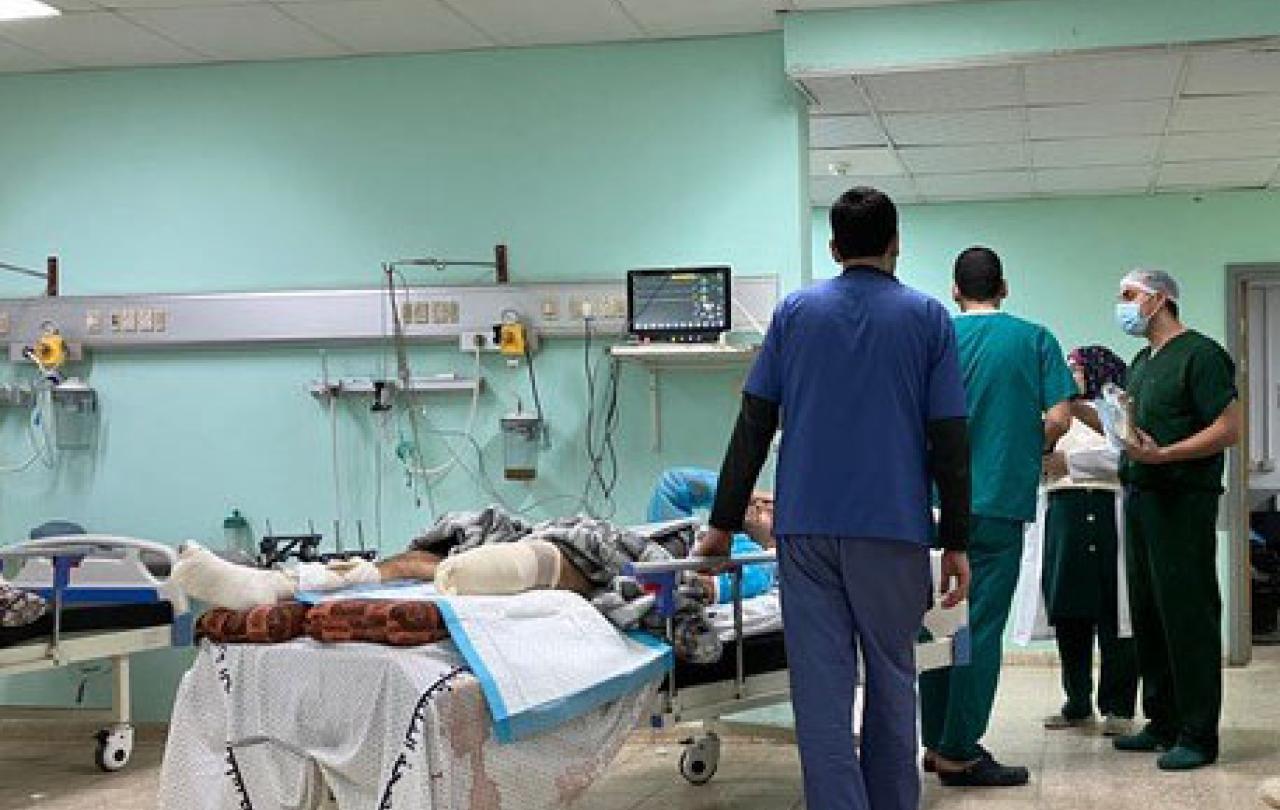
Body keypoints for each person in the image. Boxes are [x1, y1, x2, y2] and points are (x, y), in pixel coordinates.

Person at [696, 186, 972, 810]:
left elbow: (754, 424)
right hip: (893, 531)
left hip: (808, 530)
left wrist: (720, 523)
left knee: (821, 696)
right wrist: (957, 540)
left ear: (833, 247)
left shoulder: (795, 313)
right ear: (896, 243)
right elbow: (951, 438)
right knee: (893, 682)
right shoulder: (928, 319)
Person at [919, 246, 1076, 787]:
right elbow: (1059, 415)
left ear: (955, 291)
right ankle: (961, 751)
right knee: (979, 631)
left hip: (931, 508)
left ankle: (935, 741)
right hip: (996, 507)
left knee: (935, 626)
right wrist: (1022, 446)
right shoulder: (1034, 339)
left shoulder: (935, 338)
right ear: (1003, 287)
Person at [1111, 268, 1240, 771]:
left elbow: (1228, 428)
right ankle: (1161, 721)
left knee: (1187, 612)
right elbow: (1138, 425)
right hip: (1142, 496)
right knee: (1147, 611)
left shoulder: (1202, 355)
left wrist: (1168, 456)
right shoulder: (1142, 362)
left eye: (1128, 296)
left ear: (1159, 298)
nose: (1120, 306)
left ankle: (1198, 733)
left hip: (1182, 499)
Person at [1039, 345, 1138, 736]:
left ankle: (1118, 707)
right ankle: (1077, 703)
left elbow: (1127, 456)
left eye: (1075, 368)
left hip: (1111, 514)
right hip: (1064, 517)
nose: (1068, 374)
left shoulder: (1119, 409)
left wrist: (1071, 464)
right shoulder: (1057, 417)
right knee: (1069, 613)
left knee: (1117, 615)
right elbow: (1041, 461)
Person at [646, 467, 776, 603]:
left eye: (773, 512)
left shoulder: (763, 564)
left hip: (675, 577)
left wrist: (700, 584)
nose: (761, 505)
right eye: (762, 501)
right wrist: (742, 495)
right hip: (668, 552)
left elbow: (756, 577)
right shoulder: (685, 533)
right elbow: (674, 484)